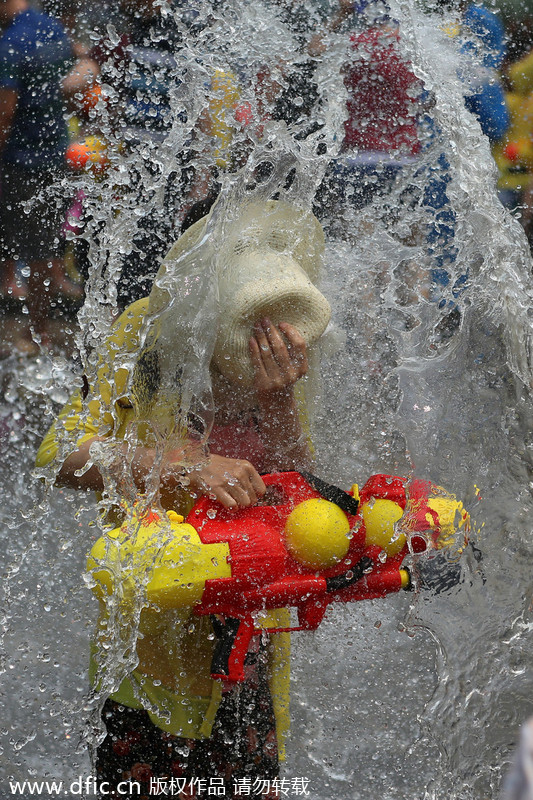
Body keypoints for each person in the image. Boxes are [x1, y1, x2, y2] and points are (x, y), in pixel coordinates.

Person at [36, 199, 331, 799]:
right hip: (150, 648)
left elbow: (296, 490)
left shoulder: (283, 338)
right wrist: (187, 466)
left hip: (248, 647)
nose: (261, 339)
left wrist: (278, 407)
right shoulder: (143, 334)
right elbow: (59, 454)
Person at [0, 0, 98, 350]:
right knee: (44, 249)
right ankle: (39, 329)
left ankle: (33, 333)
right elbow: (86, 65)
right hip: (55, 156)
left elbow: (4, 116)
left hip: (19, 162)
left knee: (29, 248)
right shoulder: (51, 28)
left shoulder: (9, 43)